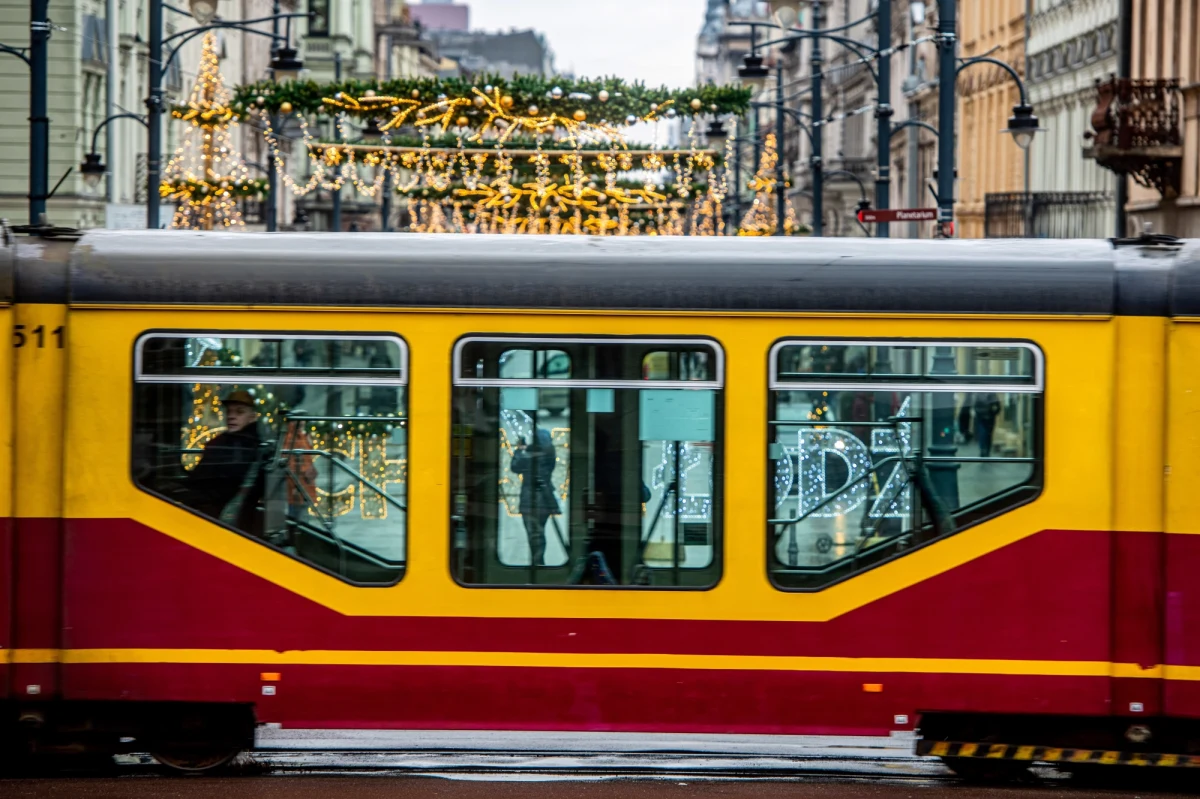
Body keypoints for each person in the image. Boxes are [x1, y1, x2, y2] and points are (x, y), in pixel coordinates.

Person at [186, 389, 266, 536]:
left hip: (232, 521)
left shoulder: (256, 449)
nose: (231, 416)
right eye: (229, 412)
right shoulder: (219, 444)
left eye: (239, 412)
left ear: (253, 417)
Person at [510, 427, 560, 567]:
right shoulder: (550, 454)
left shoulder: (528, 457)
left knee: (534, 534)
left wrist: (520, 449)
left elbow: (515, 467)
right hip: (546, 500)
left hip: (529, 501)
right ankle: (538, 562)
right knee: (538, 532)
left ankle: (537, 564)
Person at [973, 392, 1001, 458]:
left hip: (982, 417)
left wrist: (979, 414)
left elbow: (975, 406)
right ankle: (986, 450)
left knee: (983, 433)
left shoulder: (979, 394)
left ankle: (983, 450)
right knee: (988, 434)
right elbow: (998, 406)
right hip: (989, 417)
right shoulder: (992, 394)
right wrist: (993, 413)